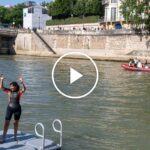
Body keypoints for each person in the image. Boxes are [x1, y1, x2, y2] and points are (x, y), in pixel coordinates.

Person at [0, 75, 26, 143]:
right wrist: (1, 80)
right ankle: (3, 137)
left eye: (12, 86)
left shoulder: (19, 92)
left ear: (15, 86)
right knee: (6, 123)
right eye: (10, 86)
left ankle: (15, 137)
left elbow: (24, 89)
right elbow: (1, 87)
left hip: (17, 109)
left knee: (15, 123)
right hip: (10, 108)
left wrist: (22, 82)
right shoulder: (9, 91)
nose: (10, 87)